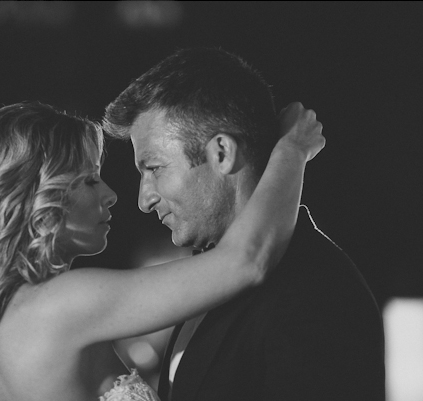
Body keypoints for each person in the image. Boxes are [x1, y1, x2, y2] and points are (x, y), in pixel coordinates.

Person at [0, 98, 323, 401]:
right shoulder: (63, 303)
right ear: (36, 196)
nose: (111, 195)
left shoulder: (8, 317)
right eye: (89, 180)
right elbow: (244, 261)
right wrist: (293, 150)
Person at [103, 47, 385, 401]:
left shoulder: (316, 291)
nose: (145, 200)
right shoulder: (203, 275)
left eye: (155, 168)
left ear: (222, 152)